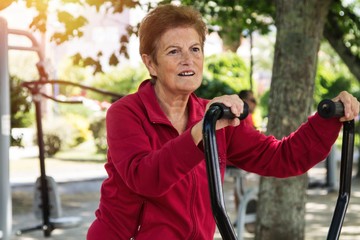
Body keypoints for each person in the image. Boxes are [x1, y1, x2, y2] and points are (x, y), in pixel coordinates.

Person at [87, 4, 359, 240]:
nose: (188, 59)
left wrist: (327, 119)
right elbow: (145, 179)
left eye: (195, 49)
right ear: (151, 63)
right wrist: (199, 131)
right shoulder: (126, 113)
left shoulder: (214, 117)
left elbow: (282, 157)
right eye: (173, 51)